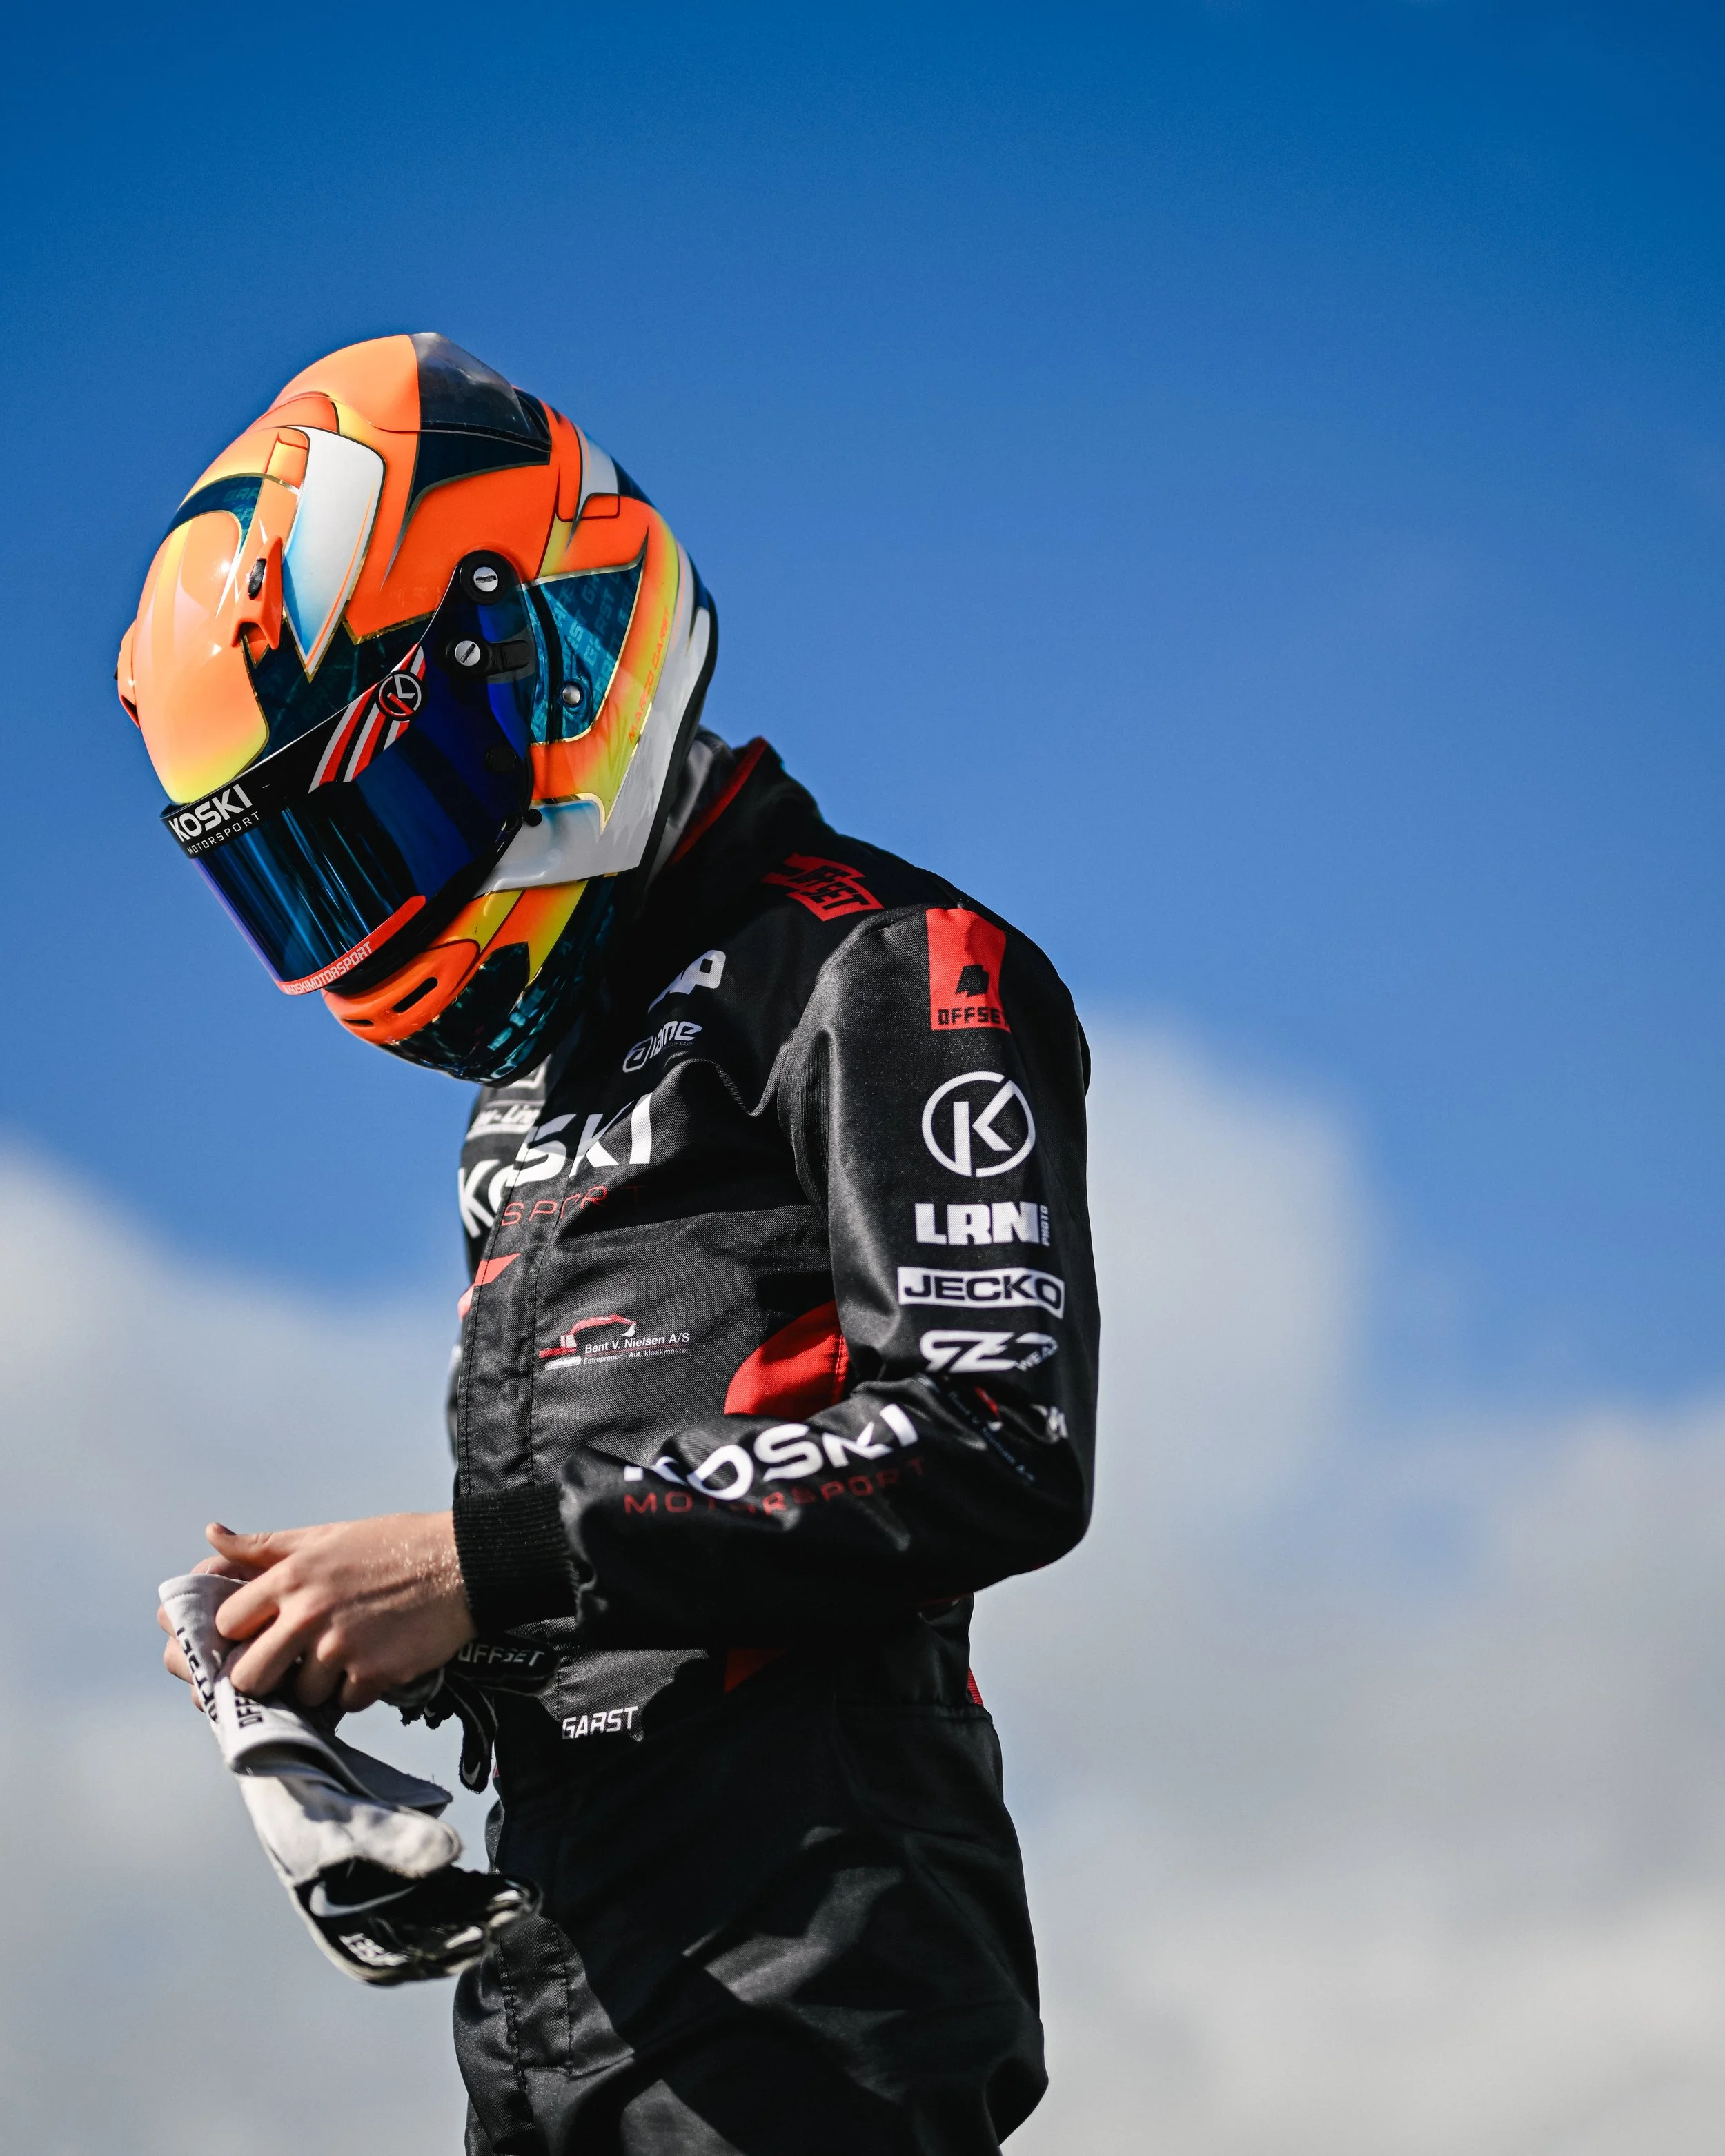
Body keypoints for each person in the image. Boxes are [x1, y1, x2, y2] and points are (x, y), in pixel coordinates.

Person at [130, 333, 1099, 2155]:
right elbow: (634, 1578)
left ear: (545, 646)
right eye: (309, 867)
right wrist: (355, 1640)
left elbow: (992, 1433)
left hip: (818, 1971)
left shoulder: (883, 962)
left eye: (381, 817)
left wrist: (477, 1563)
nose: (374, 900)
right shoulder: (530, 1098)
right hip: (563, 1972)